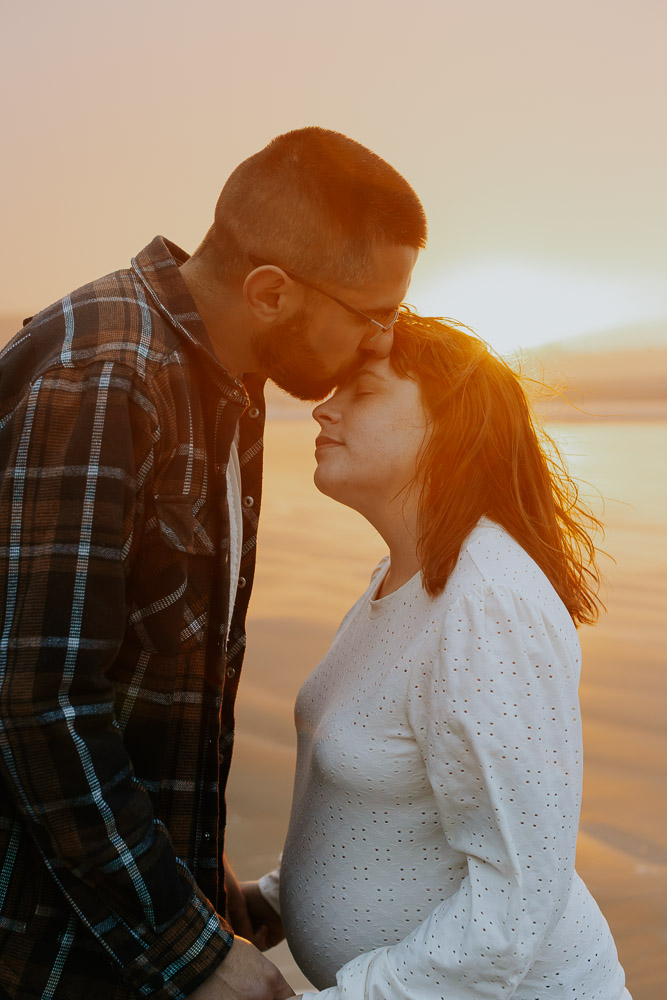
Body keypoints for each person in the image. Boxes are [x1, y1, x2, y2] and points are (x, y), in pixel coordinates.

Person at [0, 127, 426, 999]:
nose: (383, 343)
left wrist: (203, 876)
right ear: (269, 291)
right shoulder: (106, 374)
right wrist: (190, 951)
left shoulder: (231, 385)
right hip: (46, 943)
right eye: (373, 314)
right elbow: (36, 701)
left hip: (123, 913)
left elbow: (151, 679)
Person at [255, 310, 631, 998]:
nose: (322, 412)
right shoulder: (399, 577)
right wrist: (272, 901)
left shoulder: (484, 601)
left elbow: (513, 906)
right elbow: (378, 800)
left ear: (447, 428)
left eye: (361, 393)